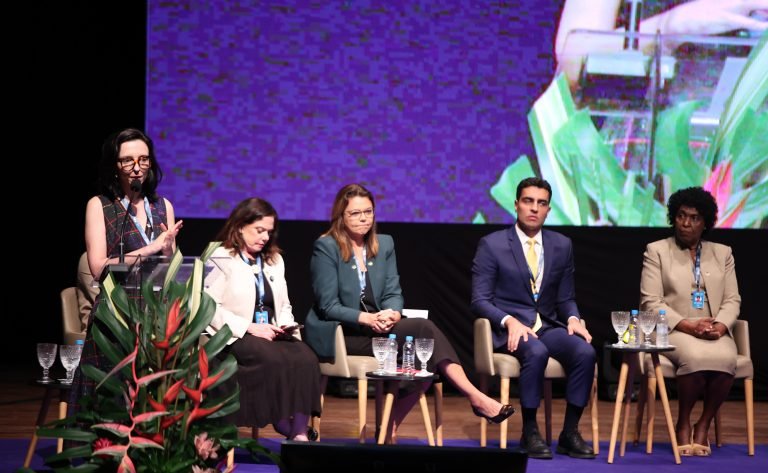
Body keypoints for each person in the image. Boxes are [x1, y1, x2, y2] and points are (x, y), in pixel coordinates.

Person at [304, 183, 514, 441]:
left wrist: (393, 313)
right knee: (423, 354)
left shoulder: (384, 244)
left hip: (379, 329)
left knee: (424, 338)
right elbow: (328, 306)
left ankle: (398, 422)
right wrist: (367, 318)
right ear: (341, 216)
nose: (363, 219)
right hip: (343, 334)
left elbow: (393, 291)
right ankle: (465, 401)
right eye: (355, 213)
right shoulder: (326, 247)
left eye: (368, 212)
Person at [471, 177, 596, 460]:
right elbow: (479, 300)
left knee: (585, 352)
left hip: (547, 325)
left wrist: (573, 318)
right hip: (510, 329)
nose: (534, 208)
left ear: (548, 210)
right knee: (536, 352)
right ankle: (529, 431)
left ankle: (570, 433)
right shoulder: (492, 244)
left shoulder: (562, 245)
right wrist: (508, 321)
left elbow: (565, 298)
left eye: (541, 203)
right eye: (528, 201)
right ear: (516, 205)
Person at [72, 128, 183, 404]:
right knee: (109, 404)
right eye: (127, 161)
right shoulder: (100, 206)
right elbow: (99, 267)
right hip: (115, 312)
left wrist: (168, 250)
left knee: (153, 402)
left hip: (155, 314)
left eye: (143, 159)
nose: (137, 167)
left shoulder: (163, 206)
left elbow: (170, 268)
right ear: (114, 165)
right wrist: (151, 248)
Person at [205, 197, 321, 441]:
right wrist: (249, 327)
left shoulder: (274, 260)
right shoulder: (220, 256)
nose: (265, 237)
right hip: (237, 333)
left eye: (269, 231)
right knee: (271, 358)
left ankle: (299, 432)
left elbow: (284, 305)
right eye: (259, 230)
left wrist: (287, 326)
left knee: (307, 358)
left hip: (272, 332)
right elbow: (208, 307)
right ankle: (282, 420)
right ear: (240, 226)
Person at [640, 186, 740, 457]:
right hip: (673, 329)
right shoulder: (656, 251)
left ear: (705, 222)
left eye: (694, 218)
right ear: (673, 217)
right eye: (681, 216)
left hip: (713, 329)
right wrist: (688, 325)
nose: (686, 223)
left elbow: (732, 299)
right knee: (695, 358)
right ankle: (683, 422)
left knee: (727, 360)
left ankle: (703, 424)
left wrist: (721, 325)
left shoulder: (723, 253)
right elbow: (651, 302)